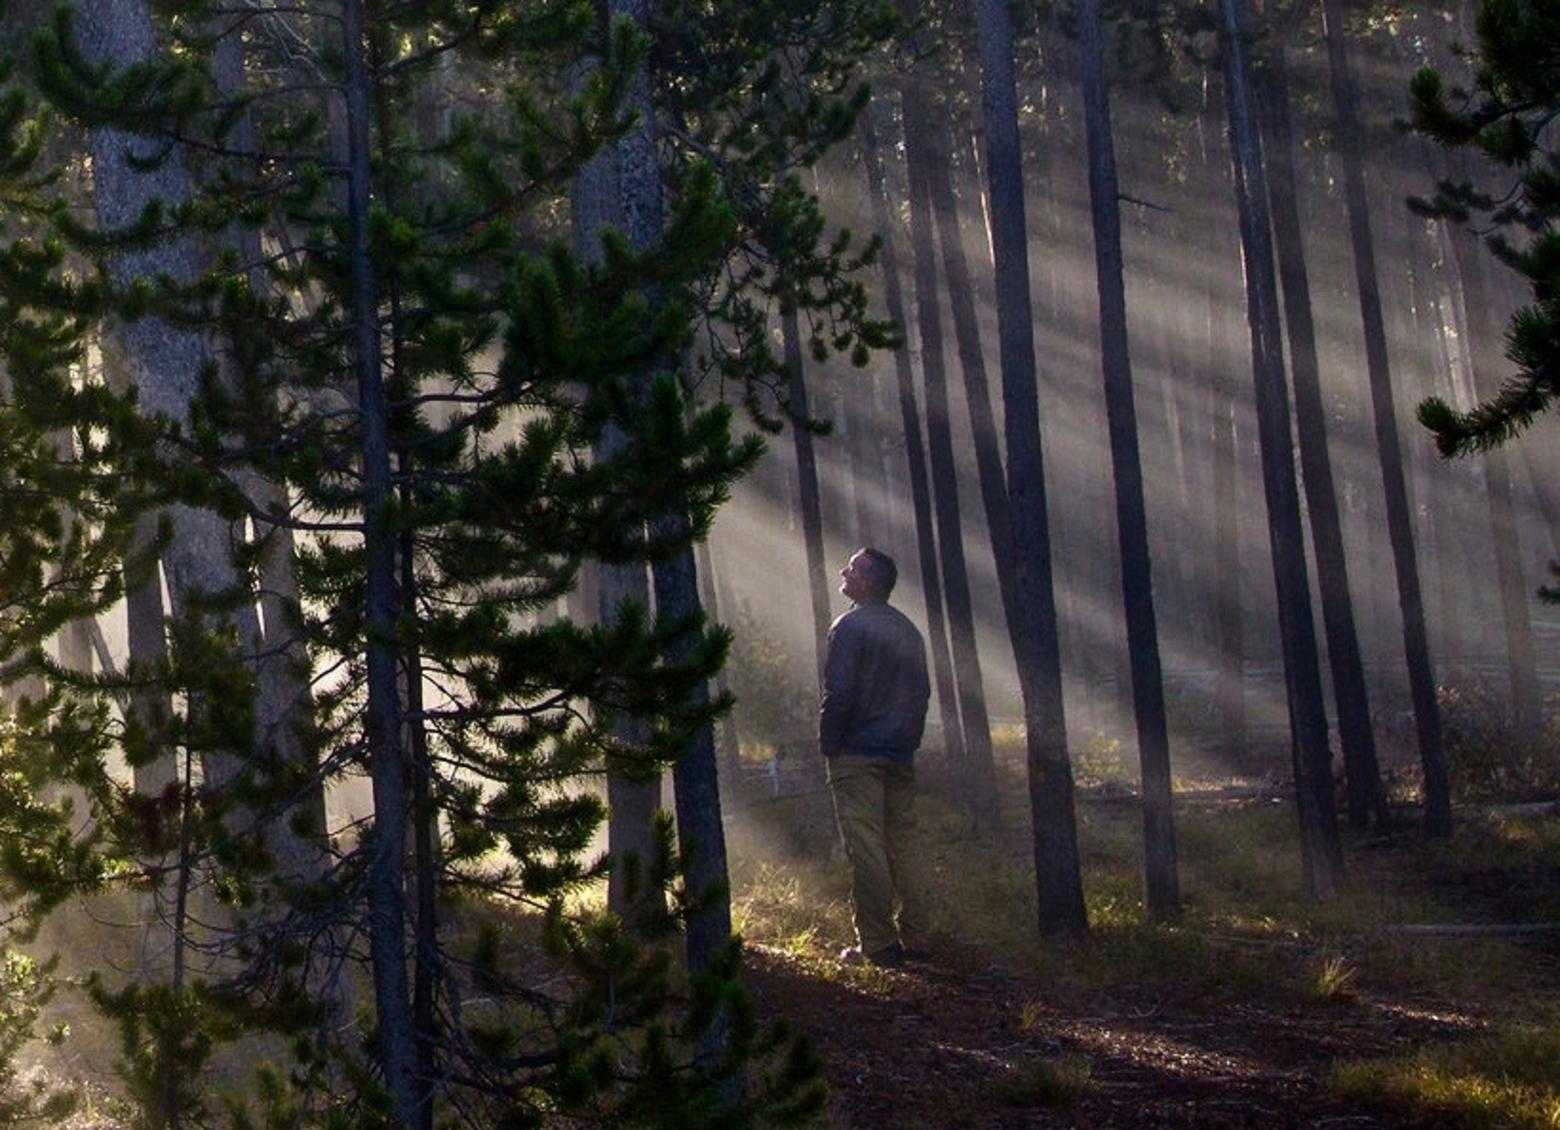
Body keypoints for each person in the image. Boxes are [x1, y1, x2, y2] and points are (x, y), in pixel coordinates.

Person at [819, 547, 931, 968]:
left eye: (853, 568)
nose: (844, 572)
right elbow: (921, 693)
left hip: (857, 754)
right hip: (899, 753)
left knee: (867, 849)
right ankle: (917, 936)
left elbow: (840, 692)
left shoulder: (848, 627)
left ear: (869, 582)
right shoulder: (907, 629)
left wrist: (830, 742)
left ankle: (879, 944)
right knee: (905, 844)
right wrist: (908, 739)